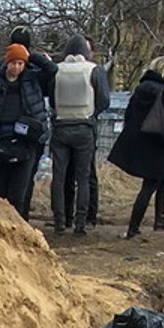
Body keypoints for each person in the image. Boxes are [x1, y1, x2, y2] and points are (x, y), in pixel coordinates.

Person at [109, 56, 164, 238]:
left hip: (143, 142)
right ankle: (135, 227)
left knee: (158, 180)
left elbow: (129, 114)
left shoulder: (141, 88)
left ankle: (158, 219)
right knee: (152, 184)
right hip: (161, 143)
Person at [0, 42, 54, 218]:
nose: (17, 68)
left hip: (25, 143)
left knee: (18, 193)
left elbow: (52, 70)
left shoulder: (32, 79)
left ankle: (18, 224)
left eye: (21, 63)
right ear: (7, 63)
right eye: (14, 63)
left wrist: (30, 55)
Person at [49, 35, 110, 235]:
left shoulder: (56, 70)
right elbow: (104, 100)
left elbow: (52, 100)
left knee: (59, 177)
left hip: (60, 126)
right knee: (83, 178)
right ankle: (81, 223)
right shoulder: (94, 70)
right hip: (84, 127)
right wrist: (91, 113)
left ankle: (59, 221)